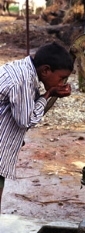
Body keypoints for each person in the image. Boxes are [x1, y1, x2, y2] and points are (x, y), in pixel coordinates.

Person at [0, 42, 74, 212]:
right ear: (46, 70)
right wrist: (48, 94)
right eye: (61, 77)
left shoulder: (22, 70)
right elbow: (26, 119)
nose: (62, 82)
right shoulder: (23, 80)